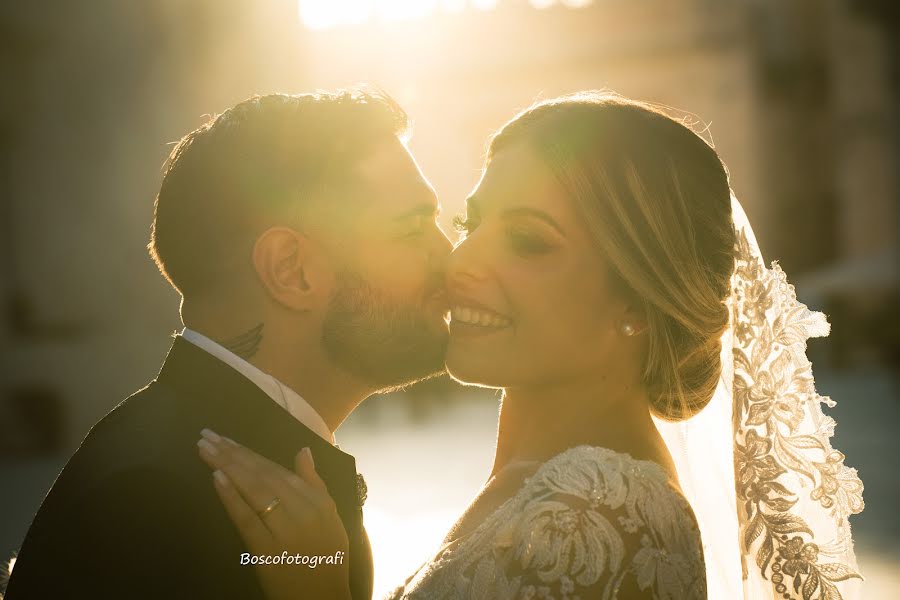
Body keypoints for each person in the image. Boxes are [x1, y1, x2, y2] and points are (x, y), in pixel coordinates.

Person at [199, 92, 865, 599]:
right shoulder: (551, 488)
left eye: (528, 241)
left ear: (637, 300)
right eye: (473, 222)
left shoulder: (612, 516)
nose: (461, 262)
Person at [4, 89, 452, 600]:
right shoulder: (157, 504)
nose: (450, 255)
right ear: (292, 269)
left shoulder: (200, 463)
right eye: (414, 228)